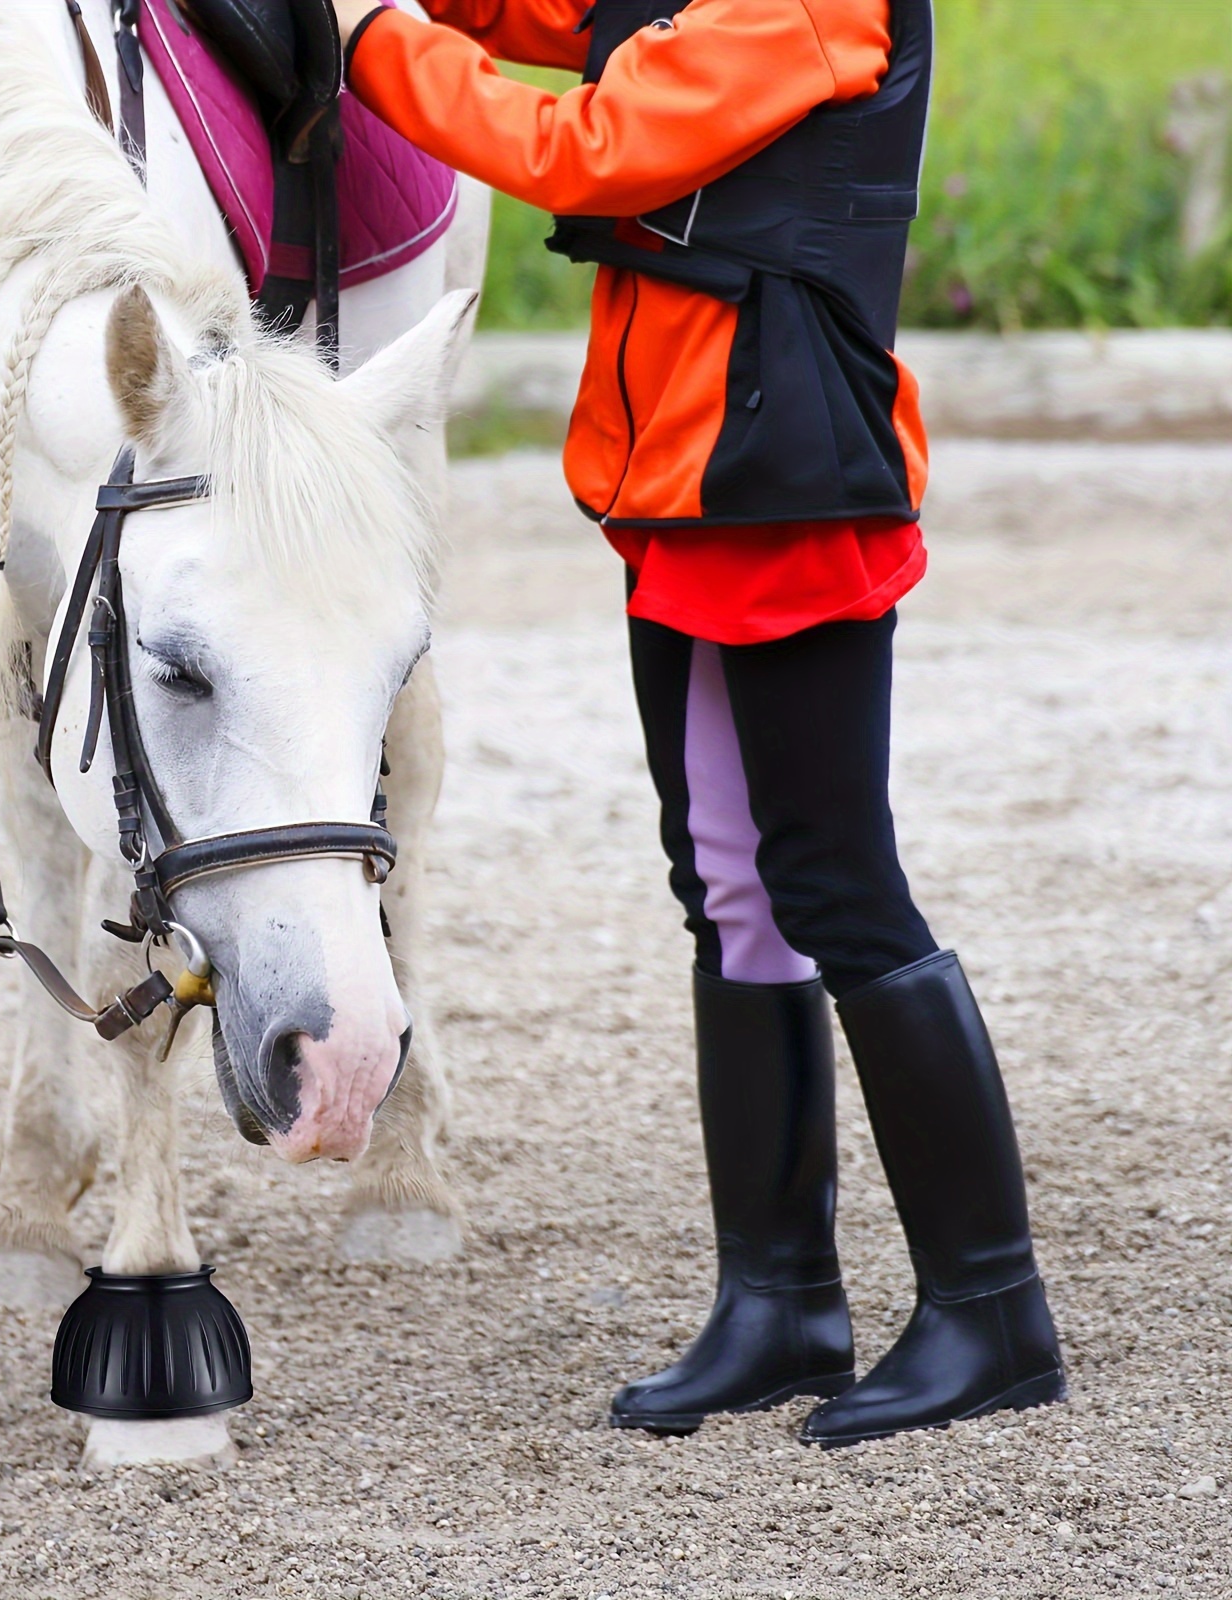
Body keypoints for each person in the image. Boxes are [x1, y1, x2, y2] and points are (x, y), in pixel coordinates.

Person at [329, 0, 1066, 1445]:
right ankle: (781, 1301)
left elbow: (587, 144)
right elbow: (557, 15)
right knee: (730, 893)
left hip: (784, 474)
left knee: (840, 891)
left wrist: (371, 39)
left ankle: (992, 1312)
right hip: (687, 476)